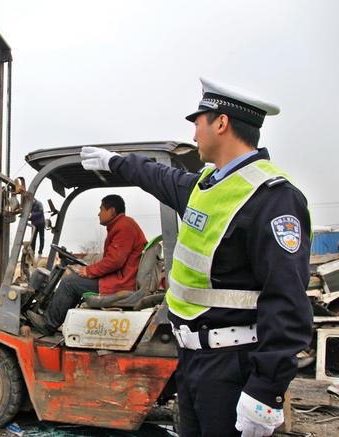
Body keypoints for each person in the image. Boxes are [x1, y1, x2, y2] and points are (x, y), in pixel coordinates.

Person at [80, 78, 312, 437]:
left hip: (233, 366)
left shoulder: (272, 197)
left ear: (221, 123)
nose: (193, 129)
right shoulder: (207, 185)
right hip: (192, 360)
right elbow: (158, 176)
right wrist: (115, 162)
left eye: (198, 119)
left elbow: (288, 303)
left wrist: (266, 390)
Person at [27, 194, 147, 335]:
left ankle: (48, 324)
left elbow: (115, 261)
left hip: (121, 282)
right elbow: (114, 259)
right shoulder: (123, 225)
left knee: (69, 283)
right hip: (121, 278)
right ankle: (58, 318)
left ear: (112, 211)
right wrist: (88, 269)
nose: (98, 213)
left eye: (101, 209)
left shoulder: (124, 227)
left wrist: (89, 271)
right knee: (75, 279)